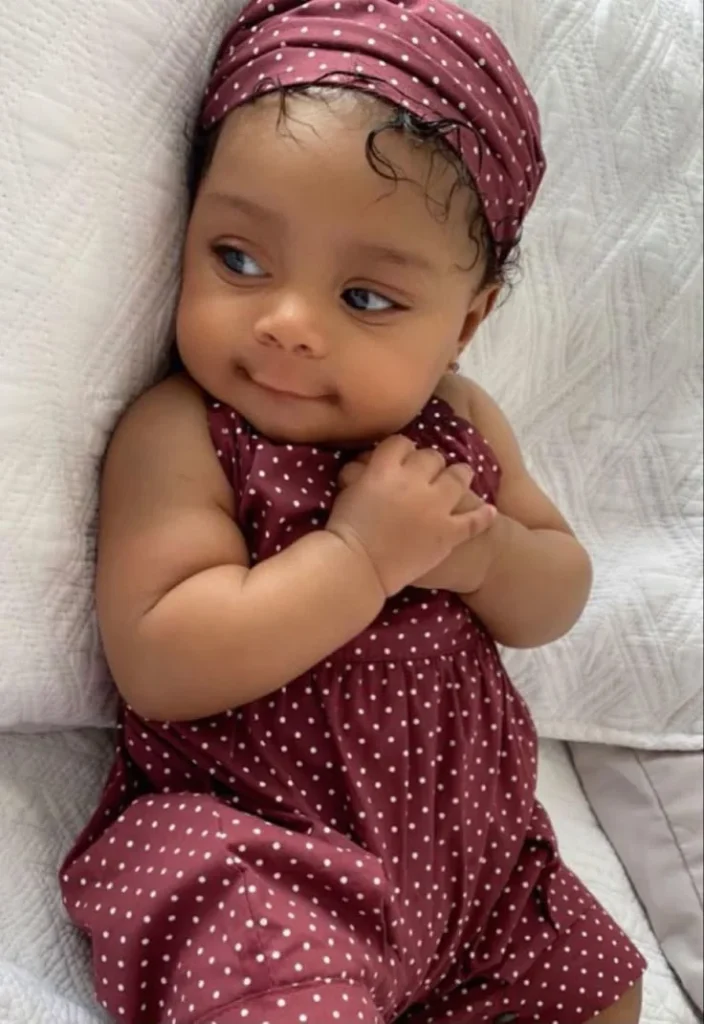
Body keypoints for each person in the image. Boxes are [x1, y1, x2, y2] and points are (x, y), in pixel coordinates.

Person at [60, 1, 646, 1021]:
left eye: (366, 298)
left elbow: (556, 592)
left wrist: (477, 553)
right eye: (237, 259)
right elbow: (162, 659)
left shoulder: (459, 423)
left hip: (476, 871)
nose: (285, 325)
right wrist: (360, 558)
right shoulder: (187, 431)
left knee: (607, 989)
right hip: (260, 850)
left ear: (464, 322)